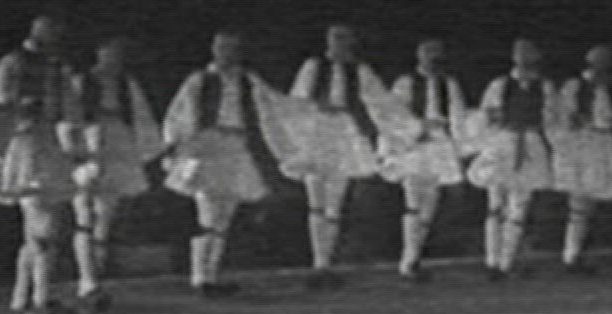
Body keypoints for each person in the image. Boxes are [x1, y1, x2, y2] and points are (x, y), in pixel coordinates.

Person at [162, 30, 305, 297]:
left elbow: (273, 109)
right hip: (206, 144)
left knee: (224, 215)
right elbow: (178, 113)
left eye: (231, 48)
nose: (226, 53)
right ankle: (200, 276)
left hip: (236, 146)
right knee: (207, 210)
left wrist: (303, 119)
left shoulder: (249, 81)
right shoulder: (200, 79)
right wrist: (174, 145)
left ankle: (211, 275)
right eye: (221, 47)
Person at [0, 15, 81, 314]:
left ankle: (24, 296)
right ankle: (40, 299)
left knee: (40, 228)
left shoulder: (57, 68)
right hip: (21, 146)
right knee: (42, 226)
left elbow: (70, 110)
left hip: (47, 144)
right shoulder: (12, 64)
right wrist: (19, 106)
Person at [285, 25, 401, 290]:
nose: (340, 43)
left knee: (335, 202)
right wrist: (311, 113)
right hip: (316, 132)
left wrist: (399, 132)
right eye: (335, 38)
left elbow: (382, 102)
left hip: (344, 134)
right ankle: (318, 264)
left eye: (345, 39)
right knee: (316, 200)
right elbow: (296, 100)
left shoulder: (359, 71)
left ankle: (325, 264)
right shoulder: (314, 66)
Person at [67, 37, 164, 313]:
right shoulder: (81, 82)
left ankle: (95, 277)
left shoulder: (125, 84)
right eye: (109, 53)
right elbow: (69, 117)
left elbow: (141, 116)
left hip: (117, 143)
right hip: (88, 144)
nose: (114, 59)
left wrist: (147, 149)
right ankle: (86, 281)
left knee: (105, 215)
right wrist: (75, 152)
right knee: (84, 213)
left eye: (118, 54)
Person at [379, 39, 472, 283]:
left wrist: (460, 148)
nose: (433, 57)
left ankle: (414, 258)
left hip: (438, 145)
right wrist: (414, 131)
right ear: (419, 55)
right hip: (414, 144)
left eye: (437, 53)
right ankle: (407, 261)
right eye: (428, 52)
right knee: (413, 200)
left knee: (429, 204)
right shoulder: (406, 82)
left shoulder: (449, 84)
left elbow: (458, 115)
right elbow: (394, 115)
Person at [468, 39, 560, 280]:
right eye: (520, 54)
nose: (524, 59)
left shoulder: (545, 87)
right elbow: (486, 114)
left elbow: (552, 118)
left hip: (530, 143)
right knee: (495, 203)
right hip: (504, 141)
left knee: (519, 205)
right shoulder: (500, 84)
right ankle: (491, 261)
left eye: (529, 54)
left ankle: (505, 263)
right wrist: (491, 125)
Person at [553, 46, 612, 274]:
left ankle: (578, 253)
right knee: (579, 201)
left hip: (603, 143)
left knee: (593, 201)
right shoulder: (574, 86)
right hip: (580, 142)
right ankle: (571, 256)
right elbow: (563, 115)